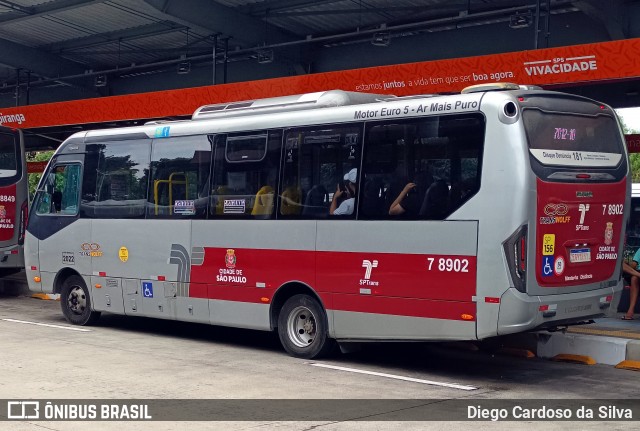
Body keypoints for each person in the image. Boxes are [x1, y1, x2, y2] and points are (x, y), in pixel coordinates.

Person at [622, 248, 640, 320]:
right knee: (634, 278)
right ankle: (630, 311)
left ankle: (630, 312)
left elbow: (633, 265)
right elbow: (634, 265)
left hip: (636, 272)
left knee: (634, 278)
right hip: (637, 272)